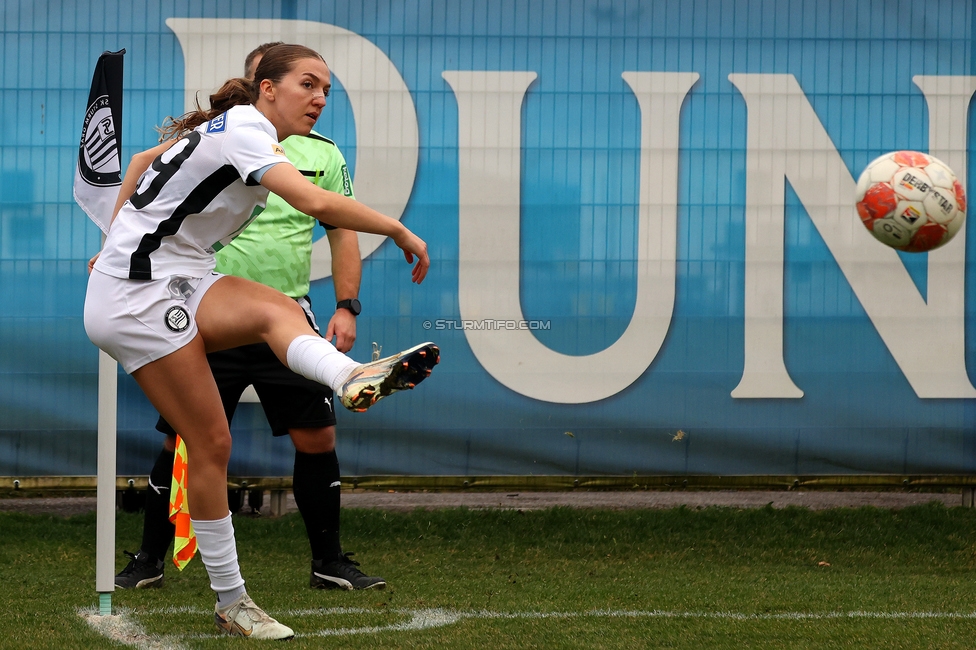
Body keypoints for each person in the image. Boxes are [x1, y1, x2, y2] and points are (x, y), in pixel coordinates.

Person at [84, 44, 438, 640]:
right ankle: (233, 601)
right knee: (211, 443)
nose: (321, 97)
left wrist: (114, 238)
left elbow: (144, 160)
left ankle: (349, 376)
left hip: (181, 279)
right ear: (266, 88)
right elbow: (315, 202)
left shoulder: (239, 128)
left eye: (326, 88)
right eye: (308, 84)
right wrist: (400, 228)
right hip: (138, 300)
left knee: (279, 309)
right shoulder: (246, 127)